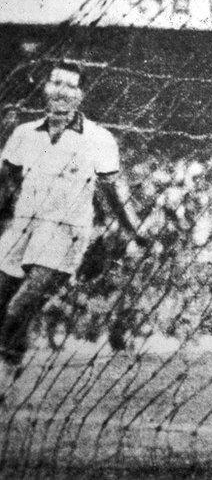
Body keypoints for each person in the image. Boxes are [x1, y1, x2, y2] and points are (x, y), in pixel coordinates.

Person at [0, 60, 146, 403]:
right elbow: (5, 177)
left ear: (80, 94)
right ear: (46, 88)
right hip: (23, 227)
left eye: (70, 86)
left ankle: (5, 376)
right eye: (56, 83)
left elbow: (114, 191)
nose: (62, 91)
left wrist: (133, 231)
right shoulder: (24, 134)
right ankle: (12, 360)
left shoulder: (98, 139)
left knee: (22, 305)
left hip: (65, 234)